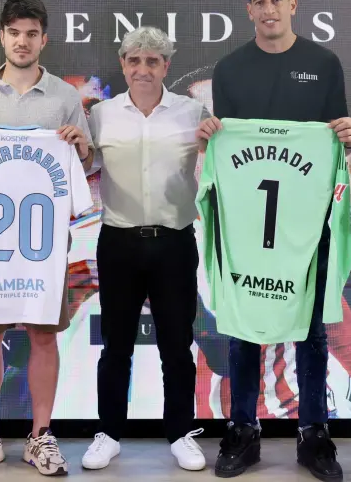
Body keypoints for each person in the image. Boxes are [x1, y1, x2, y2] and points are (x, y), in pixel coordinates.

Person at [195, 0, 351, 480]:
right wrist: (212, 135)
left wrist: (347, 134)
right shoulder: (230, 68)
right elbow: (229, 146)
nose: (268, 9)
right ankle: (243, 430)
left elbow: (336, 140)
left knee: (311, 329)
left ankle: (314, 434)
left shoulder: (323, 63)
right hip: (250, 222)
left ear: (293, 5)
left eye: (276, 0)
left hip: (307, 221)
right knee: (244, 325)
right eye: (259, 2)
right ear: (249, 10)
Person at [0, 0, 94, 477]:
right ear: (2, 36)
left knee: (43, 336)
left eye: (31, 34)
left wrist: (81, 146)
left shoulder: (64, 96)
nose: (22, 42)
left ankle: (41, 435)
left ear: (44, 39)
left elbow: (85, 161)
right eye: (14, 33)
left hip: (44, 244)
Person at [79, 26, 208, 472]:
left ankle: (181, 433)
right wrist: (75, 147)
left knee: (177, 345)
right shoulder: (101, 115)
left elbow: (216, 160)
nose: (143, 69)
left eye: (153, 61)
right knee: (116, 346)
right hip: (118, 242)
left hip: (174, 241)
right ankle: (108, 433)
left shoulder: (193, 112)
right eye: (134, 61)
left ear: (166, 66)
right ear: (123, 65)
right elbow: (85, 164)